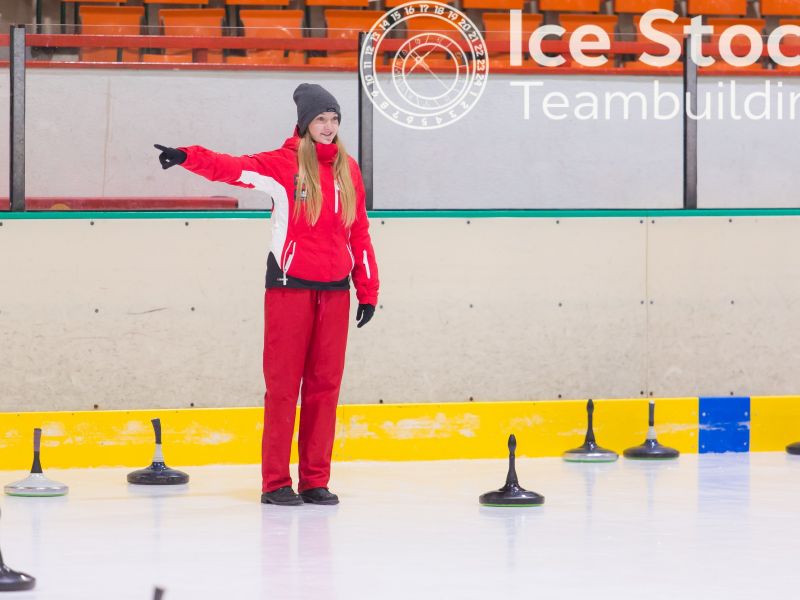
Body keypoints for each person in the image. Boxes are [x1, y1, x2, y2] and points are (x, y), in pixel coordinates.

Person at [154, 83, 379, 506]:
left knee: (324, 388)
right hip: (289, 290)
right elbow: (231, 167)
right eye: (320, 120)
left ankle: (315, 480)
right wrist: (187, 156)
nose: (328, 127)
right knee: (282, 388)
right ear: (304, 124)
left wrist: (367, 290)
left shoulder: (348, 169)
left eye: (334, 119)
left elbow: (359, 233)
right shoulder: (283, 166)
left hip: (335, 293)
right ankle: (276, 482)